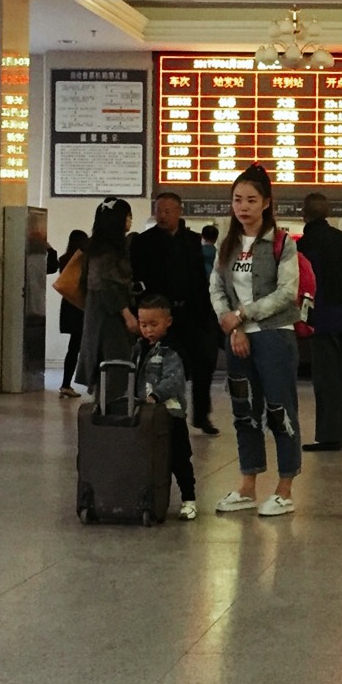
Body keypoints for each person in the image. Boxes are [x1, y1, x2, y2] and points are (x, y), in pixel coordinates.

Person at [210, 163, 302, 516]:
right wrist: (232, 326)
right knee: (244, 411)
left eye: (251, 199)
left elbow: (286, 293)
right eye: (237, 200)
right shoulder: (228, 243)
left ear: (266, 203)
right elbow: (217, 288)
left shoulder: (282, 243)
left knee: (279, 410)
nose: (243, 207)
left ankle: (284, 487)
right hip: (237, 339)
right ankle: (247, 485)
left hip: (274, 337)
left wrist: (243, 316)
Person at [131, 192, 219, 435]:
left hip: (191, 313)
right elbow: (137, 280)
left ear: (179, 211)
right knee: (160, 366)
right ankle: (159, 414)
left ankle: (201, 415)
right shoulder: (144, 242)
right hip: (160, 316)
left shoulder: (192, 240)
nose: (163, 215)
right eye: (159, 210)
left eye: (168, 210)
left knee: (203, 361)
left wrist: (208, 312)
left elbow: (200, 278)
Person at [297, 193, 342, 452]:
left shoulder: (305, 244)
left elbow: (302, 286)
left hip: (323, 320)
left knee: (326, 379)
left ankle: (329, 436)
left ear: (304, 214)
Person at [133, 294, 198, 521]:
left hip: (171, 415)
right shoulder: (139, 348)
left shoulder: (172, 350)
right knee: (148, 458)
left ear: (168, 322)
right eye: (143, 325)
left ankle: (189, 499)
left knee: (179, 458)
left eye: (154, 324)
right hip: (147, 417)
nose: (148, 330)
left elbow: (175, 380)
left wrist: (156, 395)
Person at [75, 197, 138, 393]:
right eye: (128, 216)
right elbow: (105, 286)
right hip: (109, 318)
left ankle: (107, 409)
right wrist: (127, 315)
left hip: (102, 315)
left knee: (111, 366)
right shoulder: (106, 251)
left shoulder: (99, 246)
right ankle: (111, 413)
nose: (130, 221)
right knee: (115, 365)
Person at [55, 228, 88, 397]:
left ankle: (65, 384)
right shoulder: (83, 260)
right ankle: (90, 383)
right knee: (85, 346)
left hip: (68, 305)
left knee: (73, 347)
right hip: (81, 306)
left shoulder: (63, 259)